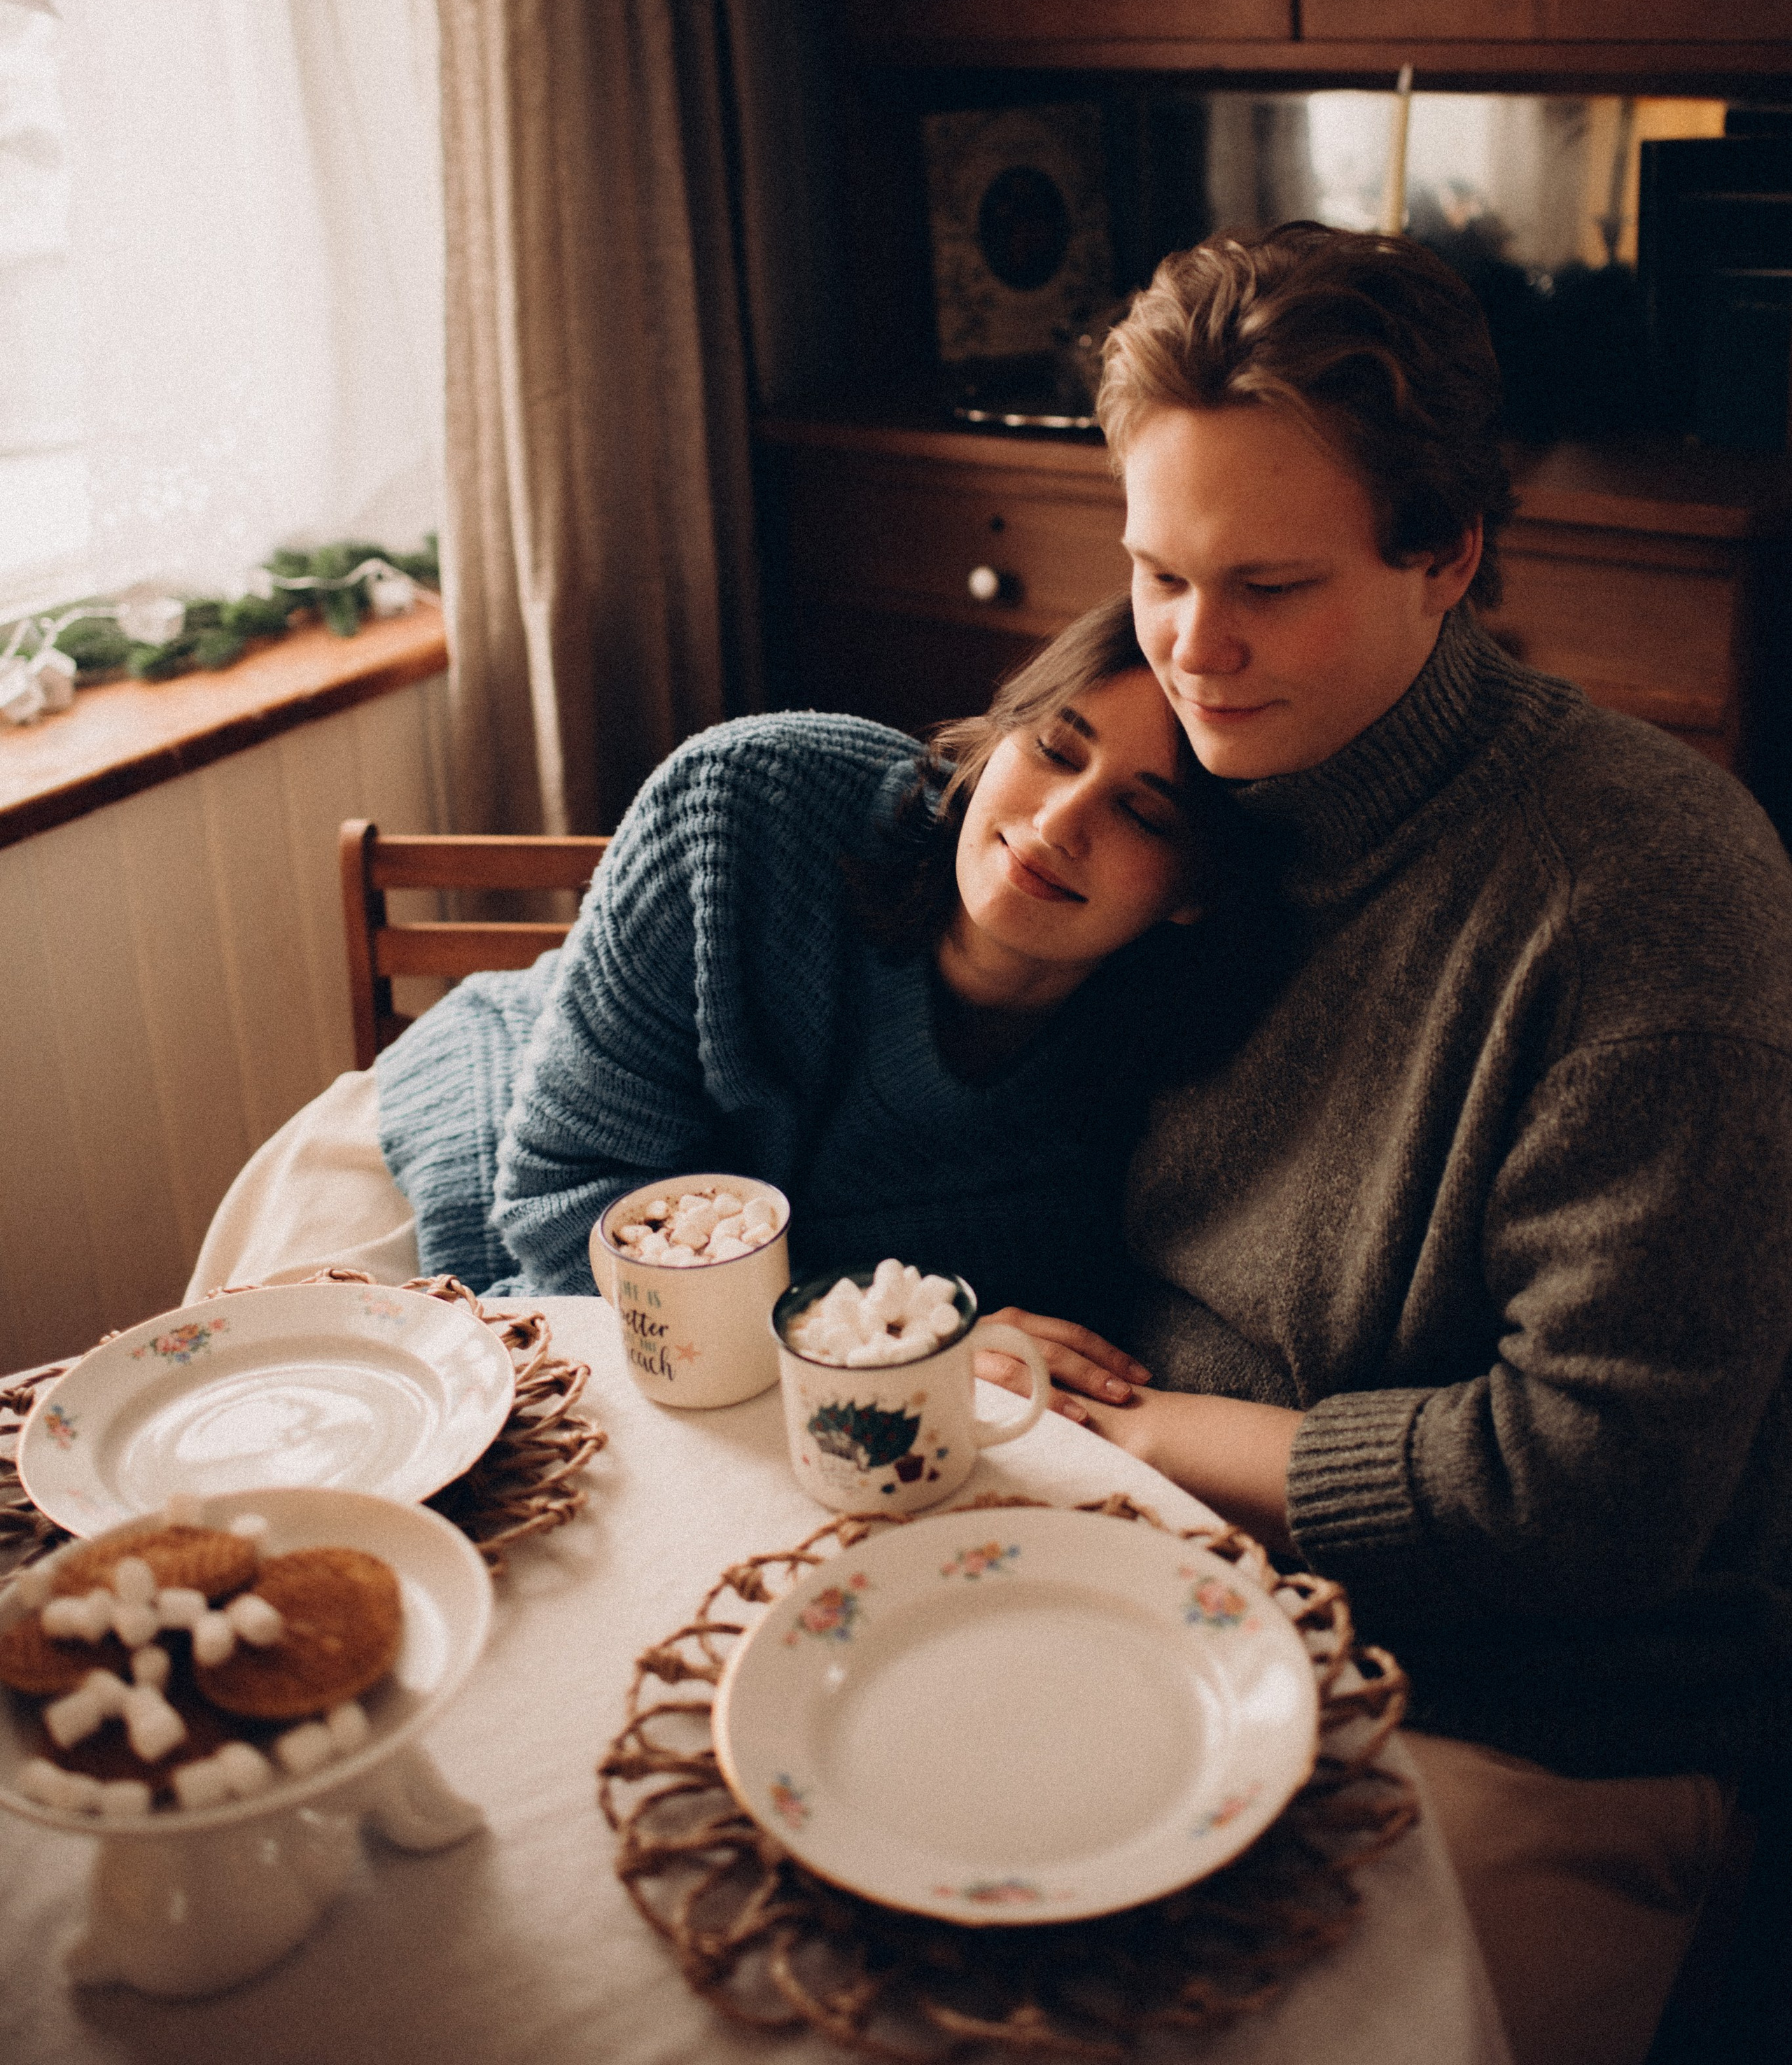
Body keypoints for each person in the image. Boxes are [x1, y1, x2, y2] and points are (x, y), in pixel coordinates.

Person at [1010, 222, 1792, 2065]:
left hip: (1533, 1715)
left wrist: (1140, 1435)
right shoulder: (1174, 799)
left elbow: (1589, 1501)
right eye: (1155, 572)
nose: (1192, 652)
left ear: (1448, 558)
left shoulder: (1651, 896)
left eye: (1267, 587)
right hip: (1161, 1587)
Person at [193, 598, 1245, 1346]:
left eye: (1142, 812)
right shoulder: (744, 802)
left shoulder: (1172, 1070)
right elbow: (567, 1206)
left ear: (1195, 892)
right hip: (474, 1149)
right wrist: (877, 1329)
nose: (1060, 825)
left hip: (748, 1346)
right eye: (1055, 751)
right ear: (996, 740)